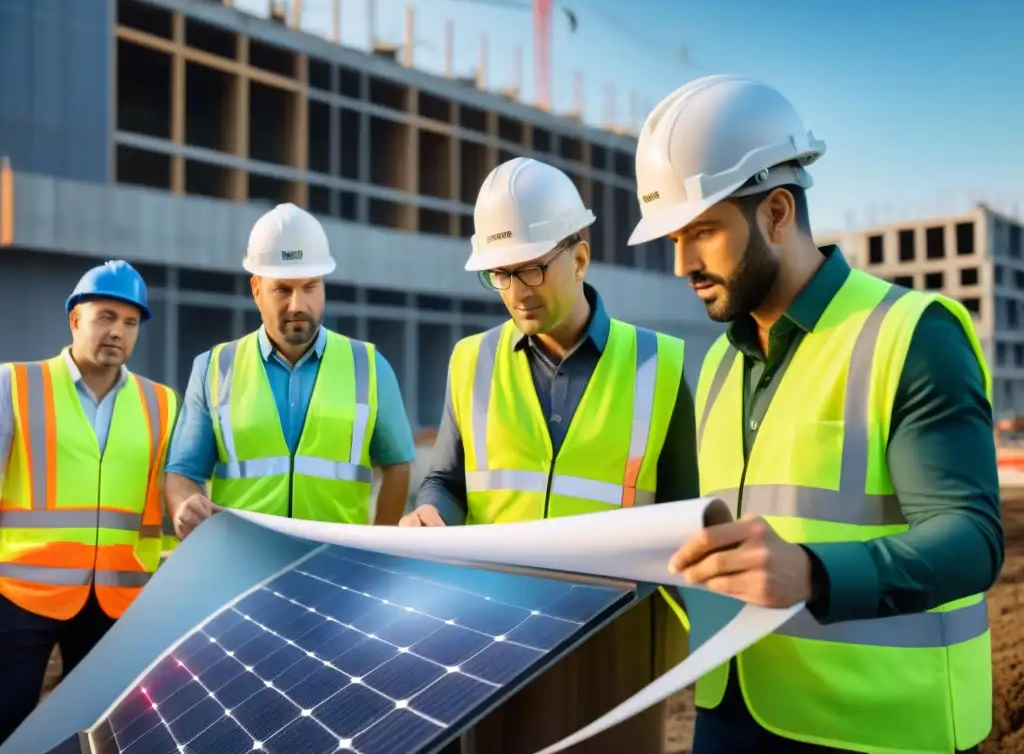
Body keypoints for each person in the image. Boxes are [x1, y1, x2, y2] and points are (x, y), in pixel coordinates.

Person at [627, 74, 1004, 754]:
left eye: (703, 231)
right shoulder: (716, 366)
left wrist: (814, 571)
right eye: (673, 238)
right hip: (729, 714)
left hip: (879, 729)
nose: (682, 262)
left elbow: (971, 538)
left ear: (776, 212)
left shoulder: (909, 335)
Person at [403, 156, 698, 753]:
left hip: (614, 653)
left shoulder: (660, 367)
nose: (515, 292)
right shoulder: (470, 362)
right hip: (488, 642)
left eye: (532, 269)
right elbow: (446, 479)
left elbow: (687, 521)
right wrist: (431, 513)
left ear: (580, 257)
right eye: (500, 275)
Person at [0, 260, 178, 744]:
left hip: (118, 601)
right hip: (21, 596)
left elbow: (174, 492)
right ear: (75, 319)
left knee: (99, 734)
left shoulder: (162, 404)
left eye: (130, 322)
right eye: (105, 317)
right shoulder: (14, 385)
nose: (117, 332)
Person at [164, 203, 416, 538]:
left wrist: (381, 547)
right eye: (282, 289)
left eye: (310, 287)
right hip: (244, 563)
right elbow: (182, 472)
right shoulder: (214, 368)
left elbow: (397, 466)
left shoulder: (369, 366)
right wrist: (184, 507)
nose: (298, 305)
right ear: (256, 289)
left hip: (337, 565)